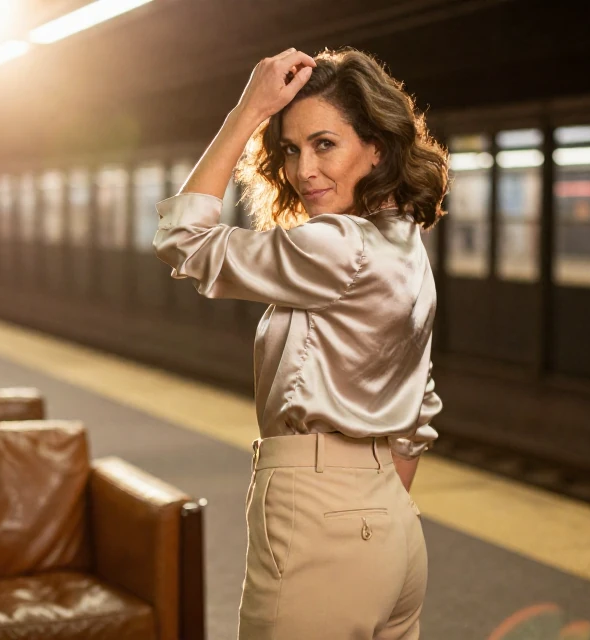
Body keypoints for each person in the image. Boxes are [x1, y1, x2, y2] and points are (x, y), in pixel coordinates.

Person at [153, 47, 448, 639]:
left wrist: (248, 110)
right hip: (390, 527)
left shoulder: (338, 245)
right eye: (290, 148)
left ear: (378, 149)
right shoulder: (405, 248)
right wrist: (370, 513)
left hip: (321, 518)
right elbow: (419, 412)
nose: (303, 169)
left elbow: (183, 238)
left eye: (325, 144)